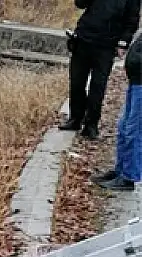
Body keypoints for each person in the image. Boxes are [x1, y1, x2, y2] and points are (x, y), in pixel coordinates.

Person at [60, 0, 140, 140]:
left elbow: (132, 20)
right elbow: (80, 3)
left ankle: (91, 124)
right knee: (77, 82)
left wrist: (123, 42)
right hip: (84, 38)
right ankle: (75, 119)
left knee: (98, 86)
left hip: (107, 45)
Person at [93, 32, 142, 190]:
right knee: (124, 128)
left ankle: (128, 177)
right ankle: (121, 170)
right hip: (136, 81)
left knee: (133, 130)